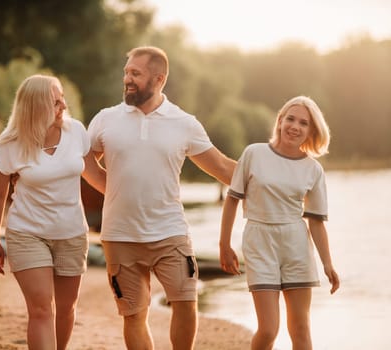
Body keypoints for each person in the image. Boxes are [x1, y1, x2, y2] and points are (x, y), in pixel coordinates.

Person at [87, 46, 236, 350]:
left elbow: (222, 167)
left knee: (186, 302)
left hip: (170, 233)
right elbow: (85, 156)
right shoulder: (106, 119)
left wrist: (272, 179)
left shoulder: (184, 123)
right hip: (120, 235)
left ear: (159, 79)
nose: (127, 79)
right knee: (134, 314)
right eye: (126, 72)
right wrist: (110, 188)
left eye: (135, 74)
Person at [0, 74, 105, 350]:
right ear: (35, 106)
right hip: (28, 233)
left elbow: (96, 175)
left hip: (72, 233)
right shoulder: (10, 143)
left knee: (66, 308)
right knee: (41, 310)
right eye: (56, 100)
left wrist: (129, 198)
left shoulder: (76, 132)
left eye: (62, 97)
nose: (63, 104)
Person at [219, 95, 340, 350]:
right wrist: (224, 244)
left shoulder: (313, 170)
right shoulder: (254, 153)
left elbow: (316, 222)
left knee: (301, 329)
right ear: (280, 121)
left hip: (296, 245)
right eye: (291, 119)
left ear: (311, 130)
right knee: (268, 329)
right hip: (259, 240)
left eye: (303, 123)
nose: (295, 126)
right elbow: (232, 200)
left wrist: (328, 263)